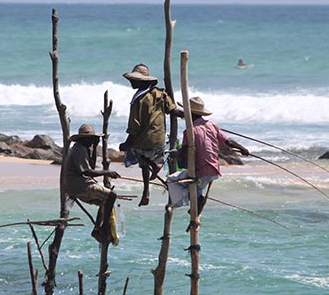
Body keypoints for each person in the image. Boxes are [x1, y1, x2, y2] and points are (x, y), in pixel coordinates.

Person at [169, 96, 249, 217]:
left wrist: (175, 153)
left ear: (190, 113)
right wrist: (243, 148)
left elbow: (184, 151)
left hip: (200, 171)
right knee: (197, 187)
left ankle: (194, 201)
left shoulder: (190, 131)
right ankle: (196, 202)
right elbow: (228, 141)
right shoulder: (212, 125)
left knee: (172, 180)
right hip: (214, 169)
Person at [119, 63, 182, 206]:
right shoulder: (161, 94)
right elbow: (173, 110)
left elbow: (134, 127)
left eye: (133, 80)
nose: (131, 82)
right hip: (158, 141)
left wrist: (126, 144)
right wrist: (186, 115)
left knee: (132, 151)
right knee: (144, 159)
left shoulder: (139, 100)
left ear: (141, 81)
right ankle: (147, 189)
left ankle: (152, 171)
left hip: (144, 142)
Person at [63, 124, 121, 244]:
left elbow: (91, 166)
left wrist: (94, 147)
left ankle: (97, 229)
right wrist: (108, 172)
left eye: (92, 139)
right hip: (78, 185)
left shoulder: (83, 148)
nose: (91, 141)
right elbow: (87, 171)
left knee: (104, 202)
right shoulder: (79, 149)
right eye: (89, 139)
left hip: (78, 184)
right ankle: (104, 227)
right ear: (82, 139)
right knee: (112, 195)